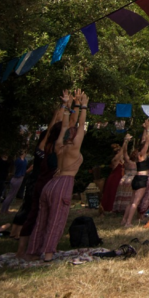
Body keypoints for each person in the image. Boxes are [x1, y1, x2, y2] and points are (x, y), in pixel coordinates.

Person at [26, 89, 90, 261]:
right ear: (75, 135)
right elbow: (80, 126)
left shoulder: (59, 144)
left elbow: (63, 126)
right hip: (63, 184)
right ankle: (47, 254)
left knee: (42, 219)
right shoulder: (74, 147)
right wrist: (83, 106)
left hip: (51, 183)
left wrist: (67, 106)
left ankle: (33, 251)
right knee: (56, 220)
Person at [16, 95, 67, 258]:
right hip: (42, 182)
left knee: (37, 216)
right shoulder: (50, 148)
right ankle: (28, 250)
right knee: (37, 216)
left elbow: (57, 127)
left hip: (41, 182)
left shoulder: (49, 147)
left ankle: (29, 249)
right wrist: (65, 107)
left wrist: (65, 106)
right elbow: (57, 126)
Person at [122, 120, 149, 228]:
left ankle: (124, 220)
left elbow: (144, 140)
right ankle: (128, 223)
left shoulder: (139, 154)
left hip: (136, 178)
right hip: (142, 179)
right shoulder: (142, 155)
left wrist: (145, 129)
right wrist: (148, 128)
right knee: (136, 202)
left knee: (131, 202)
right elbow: (148, 141)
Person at [101, 133, 131, 215]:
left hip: (121, 177)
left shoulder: (122, 160)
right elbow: (121, 152)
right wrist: (125, 141)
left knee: (118, 193)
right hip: (114, 178)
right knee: (112, 193)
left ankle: (118, 208)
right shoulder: (115, 159)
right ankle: (108, 208)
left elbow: (124, 152)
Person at [0, 149, 29, 215]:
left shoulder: (22, 160)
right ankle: (3, 210)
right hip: (17, 178)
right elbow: (22, 170)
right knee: (10, 195)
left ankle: (6, 209)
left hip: (18, 178)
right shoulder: (20, 161)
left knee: (12, 195)